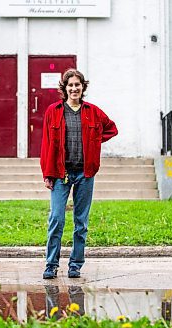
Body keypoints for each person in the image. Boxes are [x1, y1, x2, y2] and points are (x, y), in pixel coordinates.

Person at [40, 69, 118, 279]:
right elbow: (47, 144)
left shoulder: (92, 111)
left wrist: (93, 142)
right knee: (56, 218)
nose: (74, 88)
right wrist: (47, 173)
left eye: (77, 85)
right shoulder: (53, 111)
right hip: (60, 173)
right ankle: (51, 264)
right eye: (70, 85)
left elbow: (112, 129)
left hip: (85, 173)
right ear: (64, 88)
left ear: (83, 87)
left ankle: (75, 264)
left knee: (80, 222)